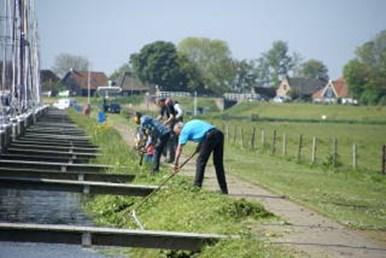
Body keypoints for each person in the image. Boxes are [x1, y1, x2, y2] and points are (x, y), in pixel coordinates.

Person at [173, 120, 229, 194]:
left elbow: (179, 148)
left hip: (209, 136)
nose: (178, 135)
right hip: (218, 134)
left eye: (177, 133)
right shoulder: (190, 123)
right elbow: (203, 135)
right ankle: (224, 190)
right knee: (218, 164)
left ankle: (196, 187)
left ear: (179, 128)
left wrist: (176, 163)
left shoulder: (184, 131)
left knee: (200, 161)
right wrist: (197, 149)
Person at [157, 97, 183, 163]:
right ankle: (169, 157)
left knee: (170, 141)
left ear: (162, 102)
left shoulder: (168, 105)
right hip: (168, 126)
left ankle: (171, 158)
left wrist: (165, 122)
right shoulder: (163, 107)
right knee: (166, 141)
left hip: (172, 126)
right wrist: (155, 121)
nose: (158, 105)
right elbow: (160, 115)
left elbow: (172, 117)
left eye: (158, 103)